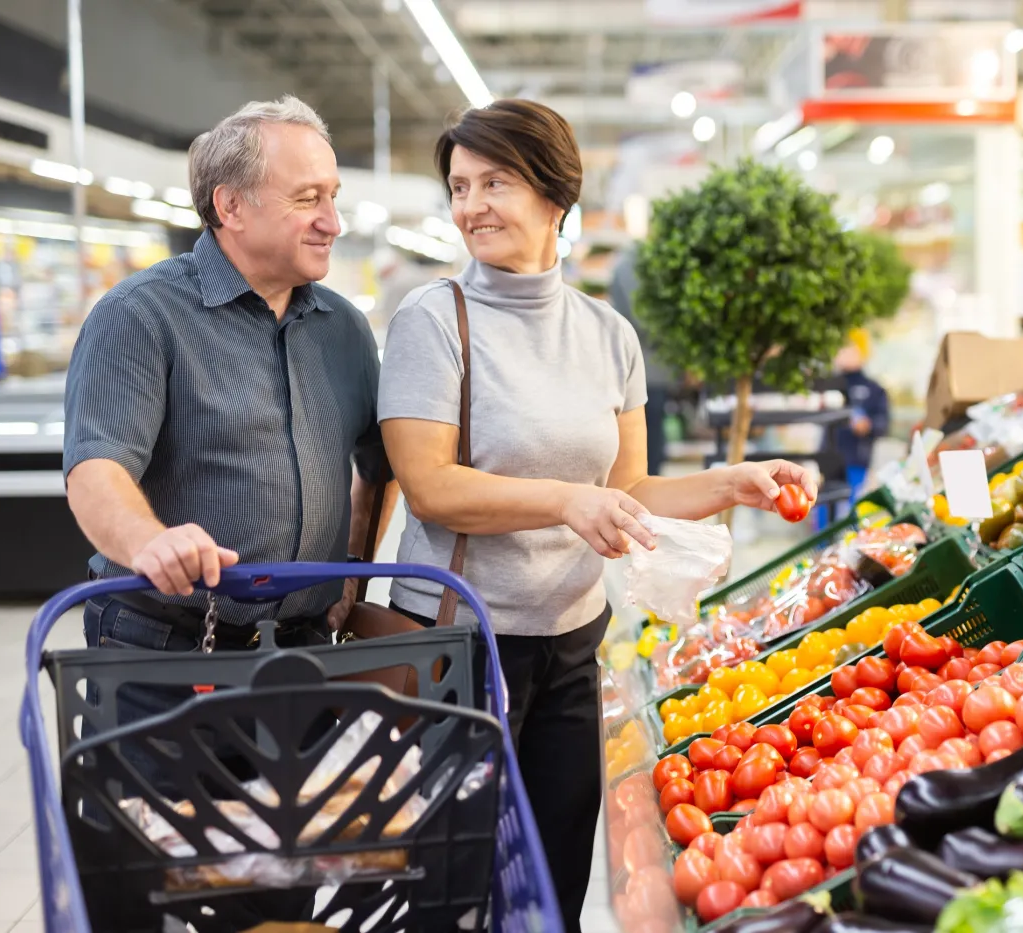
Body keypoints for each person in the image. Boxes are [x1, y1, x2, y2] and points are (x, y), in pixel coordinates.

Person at [378, 98, 816, 932]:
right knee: (453, 889)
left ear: (553, 193)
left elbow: (631, 488)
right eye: (459, 186)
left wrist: (732, 482)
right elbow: (429, 484)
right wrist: (567, 501)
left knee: (553, 886)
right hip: (461, 645)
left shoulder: (609, 335)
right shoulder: (433, 322)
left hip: (573, 643)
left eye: (494, 182)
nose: (471, 205)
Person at [63, 96, 388, 770]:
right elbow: (97, 469)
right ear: (231, 206)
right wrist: (150, 541)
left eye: (333, 196)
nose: (332, 221)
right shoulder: (141, 316)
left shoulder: (344, 329)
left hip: (300, 661)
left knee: (291, 865)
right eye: (307, 199)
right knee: (173, 866)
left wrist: (353, 569)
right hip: (163, 659)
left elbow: (377, 462)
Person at [608, 244, 672, 475]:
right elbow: (644, 319)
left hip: (650, 368)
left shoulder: (637, 263)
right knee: (647, 444)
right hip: (645, 369)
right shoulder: (632, 266)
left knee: (652, 439)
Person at [834, 329, 890, 508]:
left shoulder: (873, 389)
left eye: (848, 347)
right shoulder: (828, 384)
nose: (841, 352)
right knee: (823, 508)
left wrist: (868, 426)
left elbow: (883, 423)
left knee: (849, 508)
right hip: (827, 458)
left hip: (856, 459)